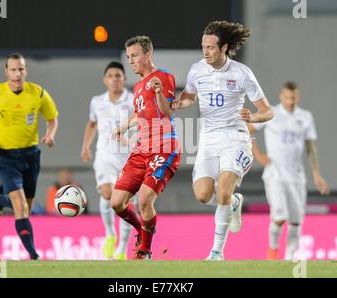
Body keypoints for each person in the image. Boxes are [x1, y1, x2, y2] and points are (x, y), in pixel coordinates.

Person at [172, 20, 274, 261]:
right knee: (203, 196)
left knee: (223, 192)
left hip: (235, 138)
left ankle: (216, 252)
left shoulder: (241, 73)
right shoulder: (197, 70)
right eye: (203, 47)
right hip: (208, 140)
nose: (205, 52)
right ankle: (234, 203)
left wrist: (255, 116)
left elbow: (268, 111)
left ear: (224, 47)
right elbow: (189, 96)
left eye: (210, 47)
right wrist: (180, 103)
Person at [0, 53, 59, 260]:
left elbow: (53, 118)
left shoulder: (38, 93)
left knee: (25, 207)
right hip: (6, 157)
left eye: (21, 69)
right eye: (13, 70)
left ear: (26, 70)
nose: (17, 74)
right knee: (20, 207)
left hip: (31, 156)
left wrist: (50, 135)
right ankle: (34, 255)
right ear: (6, 72)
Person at [110, 36, 181, 260]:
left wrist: (160, 93)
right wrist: (124, 126)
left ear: (148, 55)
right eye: (128, 56)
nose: (131, 61)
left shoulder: (163, 77)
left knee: (144, 199)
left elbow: (168, 112)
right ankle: (143, 230)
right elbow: (140, 112)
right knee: (117, 202)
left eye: (135, 55)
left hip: (163, 147)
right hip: (141, 149)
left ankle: (144, 250)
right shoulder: (139, 86)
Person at [248, 81, 329, 260]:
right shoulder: (271, 113)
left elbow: (310, 146)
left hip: (297, 176)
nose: (290, 101)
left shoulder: (305, 116)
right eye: (287, 97)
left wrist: (316, 173)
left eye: (293, 97)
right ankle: (273, 250)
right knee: (280, 216)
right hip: (275, 174)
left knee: (295, 221)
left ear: (297, 97)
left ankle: (289, 259)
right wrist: (258, 154)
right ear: (281, 97)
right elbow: (248, 128)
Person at [80, 61, 137, 260]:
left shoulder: (133, 101)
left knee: (125, 202)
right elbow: (92, 124)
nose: (114, 79)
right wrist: (85, 146)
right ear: (105, 80)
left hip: (130, 158)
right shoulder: (97, 101)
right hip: (104, 154)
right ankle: (110, 234)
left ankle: (122, 246)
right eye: (111, 76)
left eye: (118, 76)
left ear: (124, 79)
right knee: (106, 193)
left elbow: (144, 126)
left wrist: (129, 139)